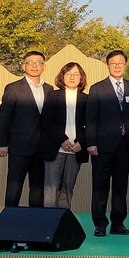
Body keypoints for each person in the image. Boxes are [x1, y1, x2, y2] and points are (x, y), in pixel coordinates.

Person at [86, 50, 129, 236]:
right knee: (100, 187)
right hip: (101, 146)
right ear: (107, 65)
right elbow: (90, 119)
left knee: (120, 187)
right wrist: (91, 143)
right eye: (113, 63)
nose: (117, 66)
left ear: (126, 65)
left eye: (121, 62)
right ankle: (100, 224)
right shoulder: (97, 88)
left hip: (125, 145)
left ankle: (118, 224)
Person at [0, 51, 52, 208]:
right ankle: (9, 222)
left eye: (38, 62)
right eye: (30, 62)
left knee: (38, 189)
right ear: (23, 66)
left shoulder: (50, 89)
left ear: (44, 66)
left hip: (42, 148)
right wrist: (2, 143)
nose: (34, 65)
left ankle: (34, 222)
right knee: (14, 188)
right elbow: (4, 117)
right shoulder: (13, 88)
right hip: (19, 146)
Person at [40, 62, 88, 209]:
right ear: (62, 76)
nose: (72, 77)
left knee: (68, 187)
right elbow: (46, 121)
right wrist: (62, 139)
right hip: (56, 148)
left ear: (81, 78)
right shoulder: (53, 95)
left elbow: (91, 124)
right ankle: (48, 225)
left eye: (76, 74)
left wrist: (82, 142)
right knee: (51, 188)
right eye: (68, 74)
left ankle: (62, 223)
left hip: (76, 149)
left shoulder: (87, 99)